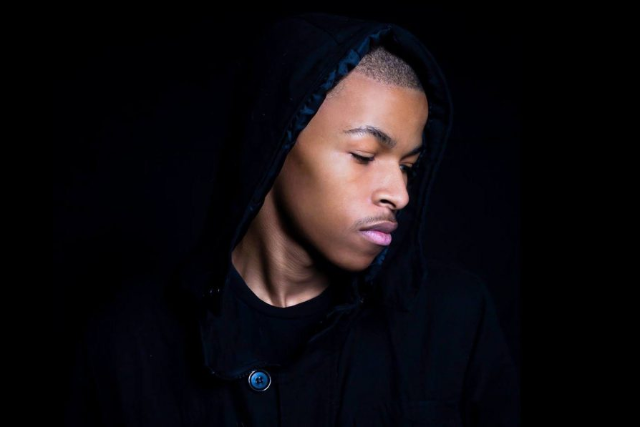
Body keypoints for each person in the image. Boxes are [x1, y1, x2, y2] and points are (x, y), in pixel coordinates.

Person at [64, 12, 520, 426]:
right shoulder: (126, 339)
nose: (399, 194)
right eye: (364, 155)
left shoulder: (455, 319)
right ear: (277, 144)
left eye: (408, 167)